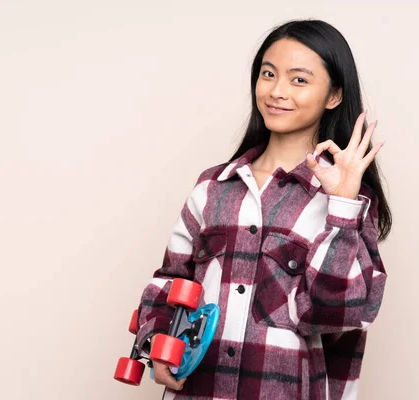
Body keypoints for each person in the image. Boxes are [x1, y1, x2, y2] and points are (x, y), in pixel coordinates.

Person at [134, 19, 392, 400]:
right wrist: (157, 345)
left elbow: (334, 315)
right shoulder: (212, 188)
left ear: (334, 95)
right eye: (268, 74)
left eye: (298, 80)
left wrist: (341, 206)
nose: (276, 91)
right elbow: (170, 281)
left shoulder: (349, 205)